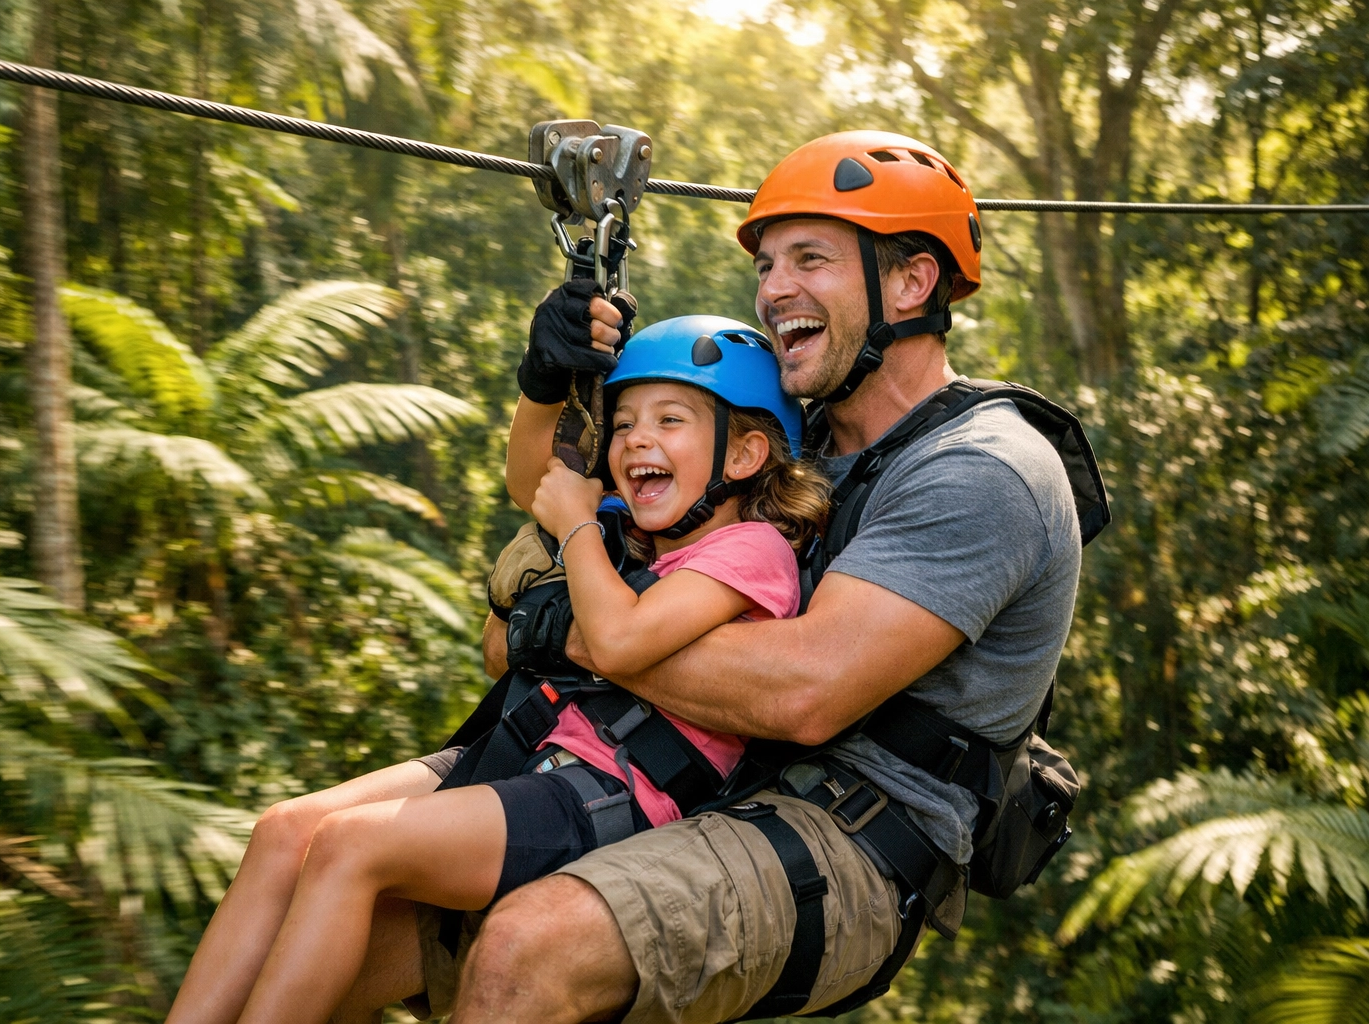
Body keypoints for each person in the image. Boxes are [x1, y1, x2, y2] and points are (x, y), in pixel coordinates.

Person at [398, 129, 1091, 1023]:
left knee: (532, 944)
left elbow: (803, 692)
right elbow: (553, 493)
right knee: (347, 893)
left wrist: (566, 633)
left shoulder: (984, 470)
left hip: (857, 832)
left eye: (810, 260)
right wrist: (548, 380)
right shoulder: (787, 438)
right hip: (693, 760)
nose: (773, 291)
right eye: (767, 266)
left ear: (913, 284)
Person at [164, 317, 826, 1024]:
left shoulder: (751, 549)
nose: (636, 440)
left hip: (614, 790)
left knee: (349, 846)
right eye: (625, 423)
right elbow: (529, 477)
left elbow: (620, 643)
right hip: (537, 751)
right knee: (284, 830)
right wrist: (545, 383)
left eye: (670, 420)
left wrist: (577, 528)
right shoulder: (637, 533)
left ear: (748, 452)